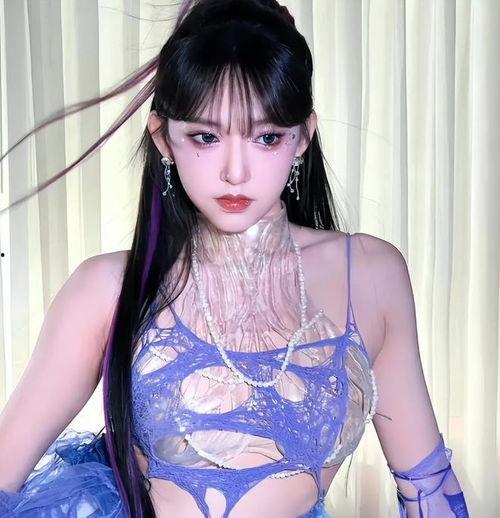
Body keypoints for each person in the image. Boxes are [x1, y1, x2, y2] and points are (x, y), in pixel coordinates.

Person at [0, 0, 469, 517]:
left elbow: (427, 486)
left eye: (266, 137)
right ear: (163, 138)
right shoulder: (106, 289)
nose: (235, 172)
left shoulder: (370, 275)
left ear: (303, 138)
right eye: (206, 136)